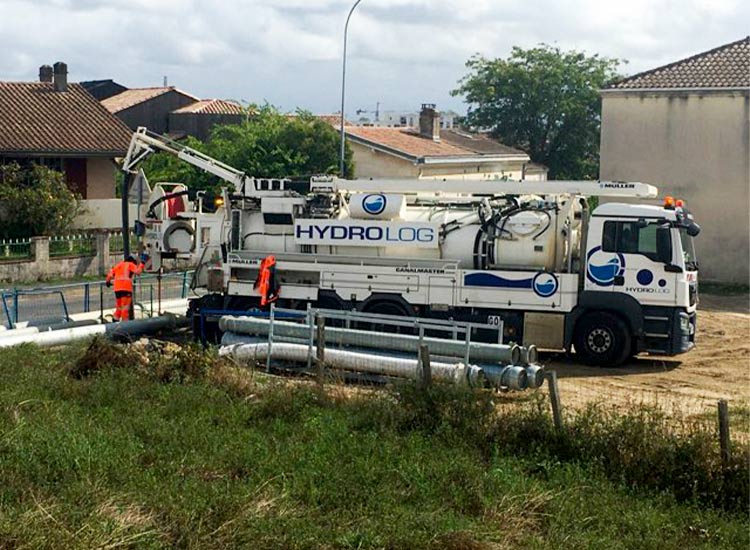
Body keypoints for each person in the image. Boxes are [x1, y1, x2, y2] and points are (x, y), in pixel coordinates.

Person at [105, 255, 144, 321]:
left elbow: (110, 275)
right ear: (133, 261)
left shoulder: (118, 265)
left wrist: (108, 282)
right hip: (126, 288)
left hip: (117, 289)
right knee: (125, 308)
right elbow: (138, 272)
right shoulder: (130, 264)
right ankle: (124, 325)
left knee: (119, 307)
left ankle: (115, 320)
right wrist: (142, 263)